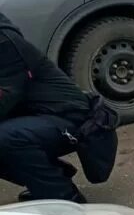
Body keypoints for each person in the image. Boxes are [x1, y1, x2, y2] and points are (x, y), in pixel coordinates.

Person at [0, 12, 119, 203]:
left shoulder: (4, 42)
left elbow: (5, 97)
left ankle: (63, 196)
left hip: (71, 119)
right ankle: (47, 180)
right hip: (36, 118)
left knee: (4, 138)